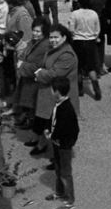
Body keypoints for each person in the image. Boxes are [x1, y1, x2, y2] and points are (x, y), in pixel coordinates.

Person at [33, 25, 79, 160]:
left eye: (56, 37)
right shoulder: (53, 49)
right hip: (51, 93)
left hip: (62, 96)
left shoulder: (67, 54)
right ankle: (44, 146)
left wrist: (39, 74)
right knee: (48, 123)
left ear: (64, 38)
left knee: (60, 128)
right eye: (51, 37)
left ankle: (60, 157)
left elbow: (54, 74)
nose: (53, 40)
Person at [45, 75, 79, 209]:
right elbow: (52, 119)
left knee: (65, 172)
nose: (51, 92)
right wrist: (48, 128)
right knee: (58, 169)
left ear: (57, 91)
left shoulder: (67, 109)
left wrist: (52, 135)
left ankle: (70, 200)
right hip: (57, 143)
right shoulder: (59, 105)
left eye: (52, 90)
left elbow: (64, 128)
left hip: (64, 145)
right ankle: (60, 192)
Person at [16, 18, 50, 143]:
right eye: (34, 31)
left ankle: (31, 122)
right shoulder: (34, 42)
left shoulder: (44, 45)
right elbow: (24, 53)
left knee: (32, 101)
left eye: (38, 31)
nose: (35, 33)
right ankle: (27, 119)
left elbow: (39, 65)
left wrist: (22, 65)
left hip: (34, 77)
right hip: (28, 75)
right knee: (27, 99)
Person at [67, 0, 102, 100]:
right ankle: (96, 88)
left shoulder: (75, 14)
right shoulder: (94, 14)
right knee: (91, 67)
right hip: (91, 42)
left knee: (78, 67)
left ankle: (80, 89)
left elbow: (71, 30)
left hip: (78, 42)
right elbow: (97, 29)